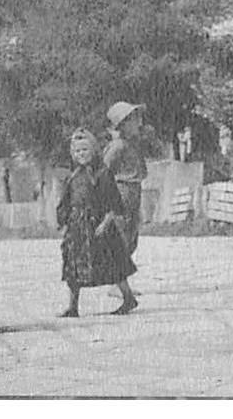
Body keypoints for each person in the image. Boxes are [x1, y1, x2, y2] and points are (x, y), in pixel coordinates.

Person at [57, 127, 138, 317]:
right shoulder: (74, 176)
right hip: (77, 227)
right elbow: (66, 201)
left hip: (99, 226)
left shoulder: (103, 174)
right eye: (77, 151)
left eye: (85, 150)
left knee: (113, 263)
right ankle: (73, 306)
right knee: (74, 266)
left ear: (93, 150)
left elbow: (113, 203)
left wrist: (105, 223)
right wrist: (63, 221)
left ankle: (128, 298)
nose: (81, 154)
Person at [103, 102, 148, 258]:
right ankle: (116, 275)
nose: (139, 123)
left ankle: (119, 273)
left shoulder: (133, 144)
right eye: (135, 119)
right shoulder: (117, 146)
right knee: (121, 231)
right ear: (123, 124)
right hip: (122, 191)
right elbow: (104, 171)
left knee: (132, 234)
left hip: (134, 191)